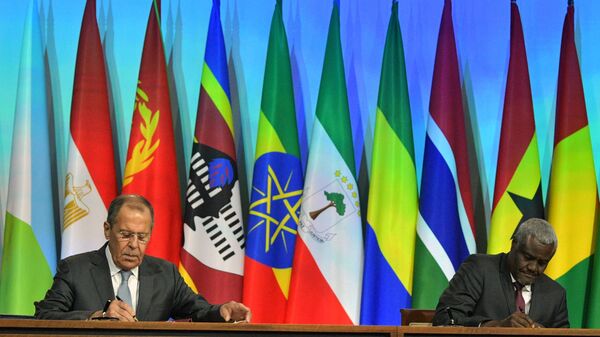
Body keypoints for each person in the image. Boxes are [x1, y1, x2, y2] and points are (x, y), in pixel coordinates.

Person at [35, 194, 251, 322]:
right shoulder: (75, 269)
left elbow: (198, 309)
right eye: (126, 235)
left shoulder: (165, 274)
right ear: (107, 230)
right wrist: (97, 316)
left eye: (142, 237)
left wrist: (221, 310)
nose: (134, 245)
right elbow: (45, 315)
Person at [432, 218, 568, 328]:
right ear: (514, 245)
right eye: (528, 257)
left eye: (542, 263)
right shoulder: (479, 269)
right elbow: (445, 318)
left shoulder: (555, 294)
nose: (533, 267)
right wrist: (497, 326)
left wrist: (543, 334)